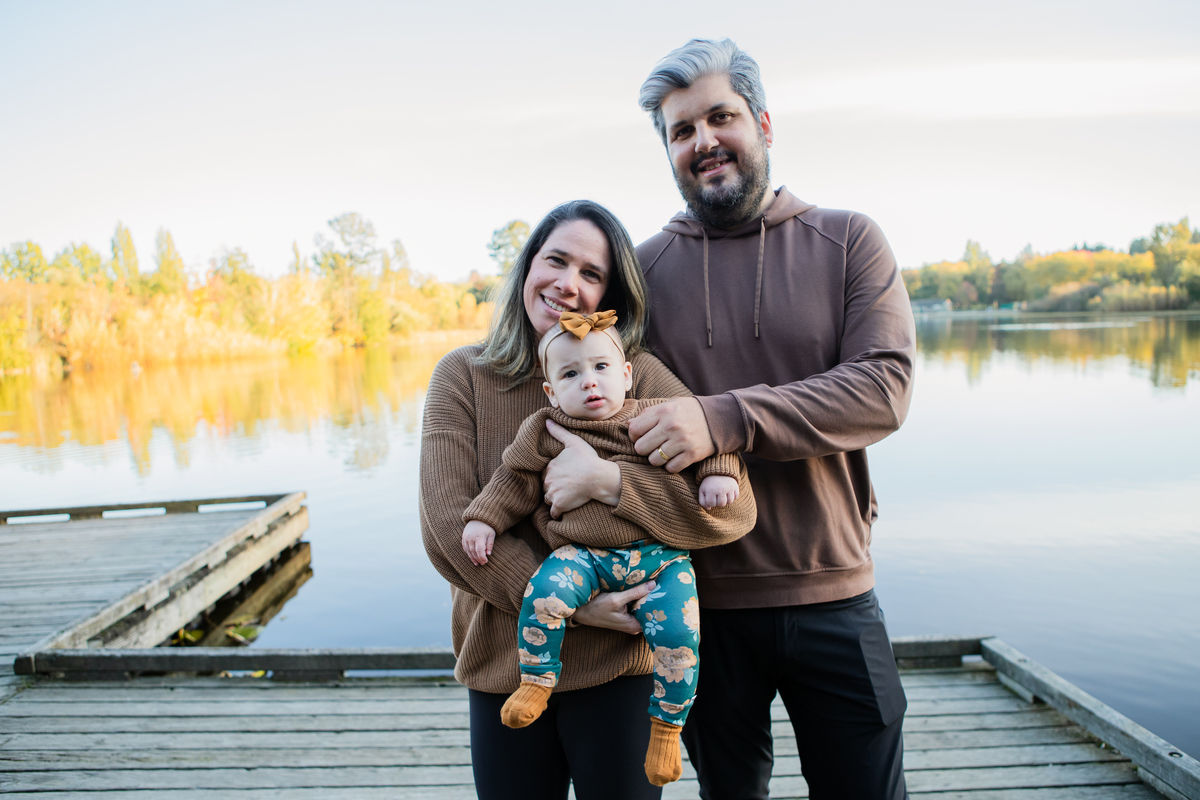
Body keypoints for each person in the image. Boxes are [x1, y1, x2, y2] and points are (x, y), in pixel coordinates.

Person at [623, 39, 918, 799]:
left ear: (762, 124)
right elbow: (599, 404)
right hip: (698, 604)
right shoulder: (641, 274)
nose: (703, 141)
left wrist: (721, 418)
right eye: (681, 131)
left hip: (835, 593)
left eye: (720, 117)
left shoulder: (848, 240)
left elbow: (883, 388)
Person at [419, 199, 756, 800]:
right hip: (506, 663)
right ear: (529, 266)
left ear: (610, 295)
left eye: (591, 273)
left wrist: (610, 482)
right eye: (556, 260)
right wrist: (573, 605)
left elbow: (730, 511)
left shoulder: (634, 373)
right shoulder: (462, 374)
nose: (567, 284)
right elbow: (448, 529)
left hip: (619, 664)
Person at [460, 310, 755, 786]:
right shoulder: (544, 428)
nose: (589, 382)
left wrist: (718, 472)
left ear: (626, 374)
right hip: (584, 557)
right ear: (551, 391)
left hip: (661, 563)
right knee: (543, 594)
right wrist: (483, 519)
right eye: (571, 375)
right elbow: (512, 481)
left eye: (601, 368)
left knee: (679, 638)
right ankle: (536, 681)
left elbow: (708, 441)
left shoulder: (653, 412)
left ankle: (667, 728)